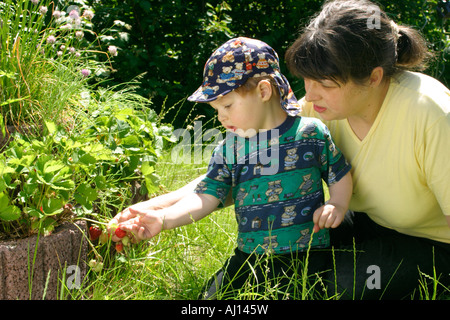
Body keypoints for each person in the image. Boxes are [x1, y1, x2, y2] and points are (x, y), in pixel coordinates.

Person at [110, 0, 450, 299]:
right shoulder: (319, 111)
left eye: (325, 84)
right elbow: (240, 172)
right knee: (271, 276)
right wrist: (151, 209)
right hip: (365, 223)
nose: (311, 94)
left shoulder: (430, 114)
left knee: (336, 286)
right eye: (307, 80)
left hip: (432, 243)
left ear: (373, 78)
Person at [109, 36, 353, 299]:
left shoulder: (310, 133)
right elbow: (205, 196)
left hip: (308, 255)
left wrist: (337, 204)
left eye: (227, 105)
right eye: (216, 109)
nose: (221, 116)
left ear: (263, 92)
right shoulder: (229, 148)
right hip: (249, 257)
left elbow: (339, 173)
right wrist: (163, 218)